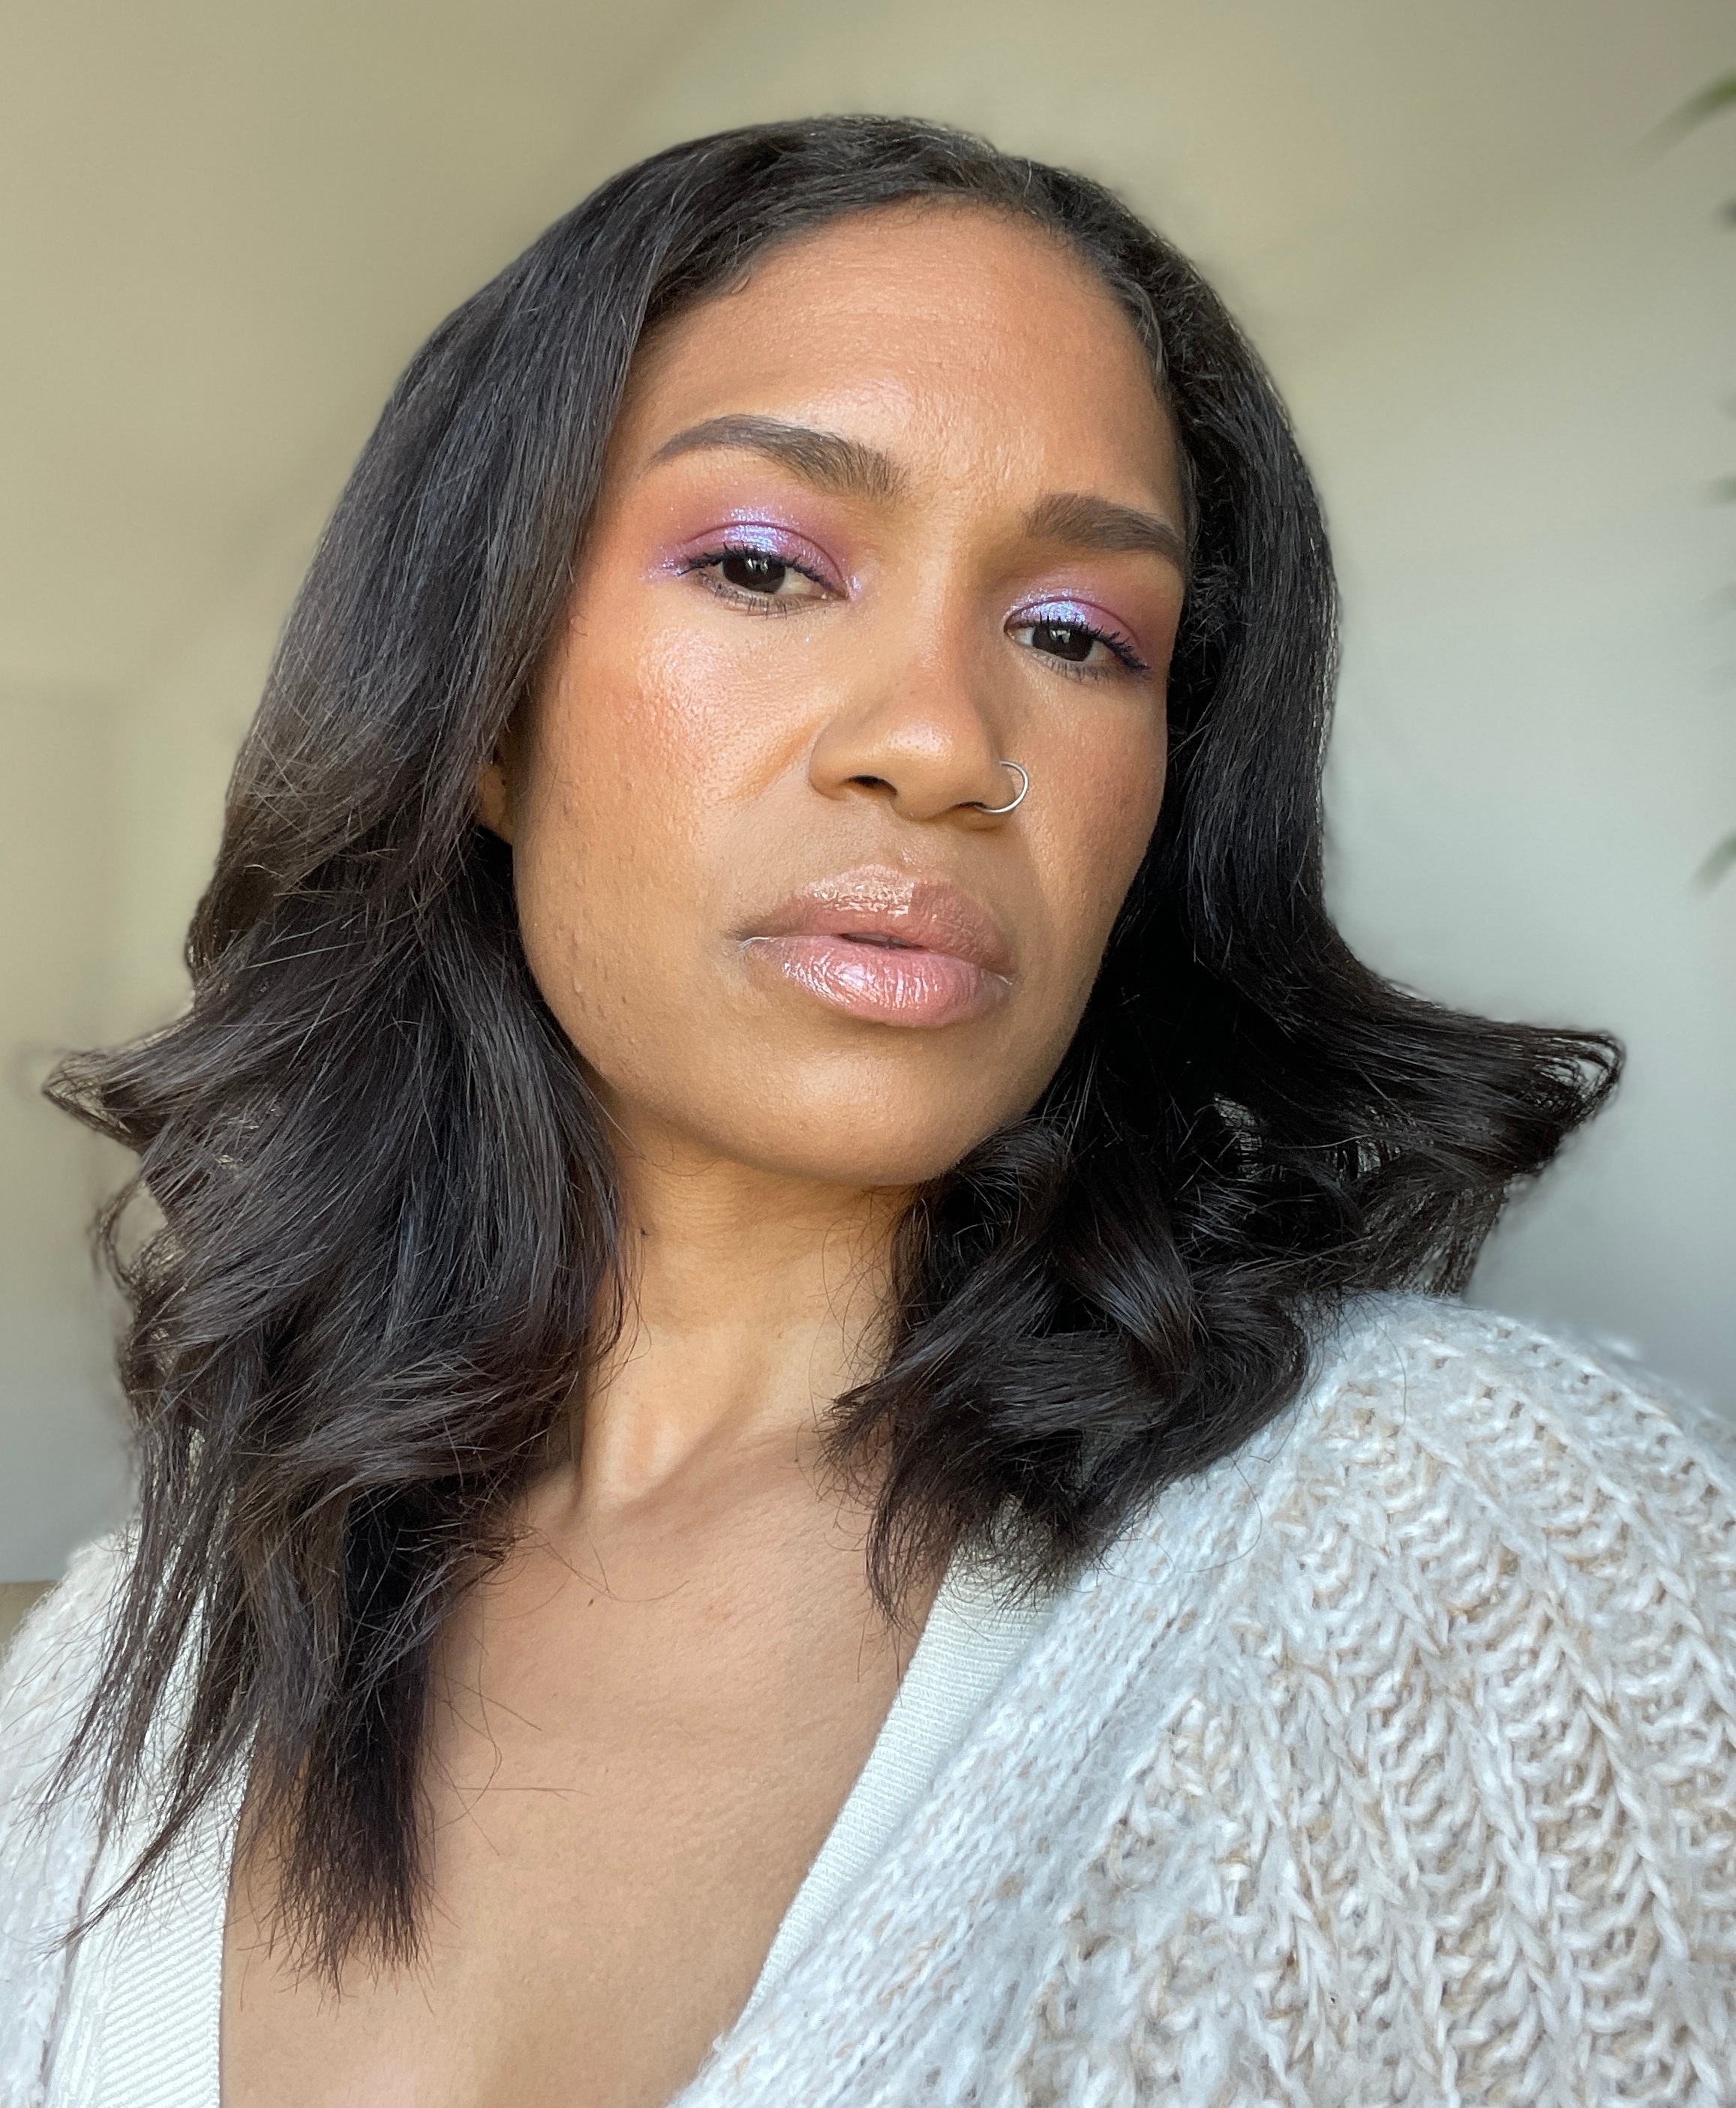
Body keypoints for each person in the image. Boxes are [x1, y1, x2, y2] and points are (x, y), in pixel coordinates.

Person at [2, 114, 1732, 2108]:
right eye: (761, 564)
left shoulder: (1489, 1552)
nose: (939, 743)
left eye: (1077, 637)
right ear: (484, 709)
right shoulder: (128, 1662)